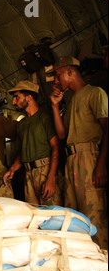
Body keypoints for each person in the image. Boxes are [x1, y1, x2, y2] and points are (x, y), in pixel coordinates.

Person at [50, 56, 108, 249]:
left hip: (89, 157)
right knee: (75, 217)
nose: (56, 81)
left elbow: (107, 129)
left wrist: (100, 165)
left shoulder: (94, 93)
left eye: (58, 75)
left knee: (94, 215)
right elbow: (62, 134)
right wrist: (55, 106)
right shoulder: (73, 100)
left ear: (70, 72)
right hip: (72, 160)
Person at [3, 81, 62, 206]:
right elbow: (23, 150)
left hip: (45, 170)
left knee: (53, 216)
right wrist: (12, 169)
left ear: (29, 97)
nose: (13, 102)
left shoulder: (44, 117)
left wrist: (51, 178)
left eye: (17, 97)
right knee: (35, 218)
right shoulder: (22, 124)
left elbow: (56, 147)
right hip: (28, 174)